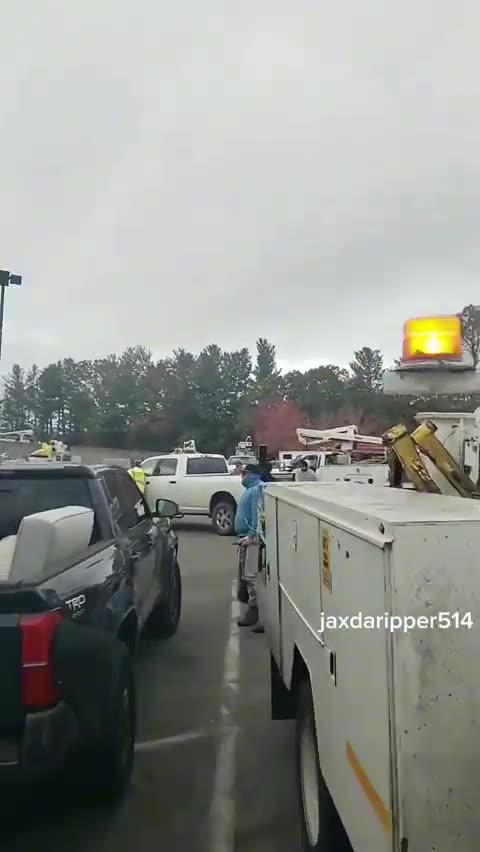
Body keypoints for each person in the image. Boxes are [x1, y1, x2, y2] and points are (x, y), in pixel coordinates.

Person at [234, 464, 265, 628]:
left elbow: (257, 514)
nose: (242, 477)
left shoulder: (257, 489)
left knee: (251, 576)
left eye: (244, 473)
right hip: (246, 537)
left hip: (251, 539)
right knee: (248, 576)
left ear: (251, 474)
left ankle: (255, 612)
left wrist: (252, 536)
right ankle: (255, 611)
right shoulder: (252, 489)